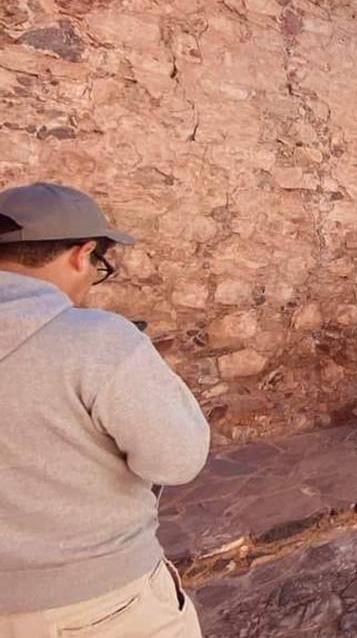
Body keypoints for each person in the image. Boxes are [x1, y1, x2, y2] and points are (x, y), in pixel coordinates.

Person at [0, 183, 210, 637]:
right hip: (101, 605)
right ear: (83, 254)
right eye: (100, 266)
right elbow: (178, 459)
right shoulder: (96, 340)